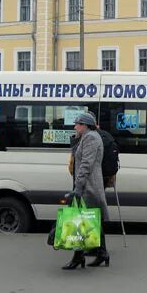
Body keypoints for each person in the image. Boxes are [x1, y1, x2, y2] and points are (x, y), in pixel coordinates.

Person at [62, 112, 110, 270]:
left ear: (85, 125)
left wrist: (78, 187)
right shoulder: (87, 137)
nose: (75, 126)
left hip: (88, 186)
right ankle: (102, 253)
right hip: (88, 185)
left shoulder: (91, 138)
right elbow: (77, 154)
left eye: (78, 124)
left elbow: (86, 165)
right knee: (92, 219)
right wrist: (76, 138)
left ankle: (78, 257)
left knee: (80, 220)